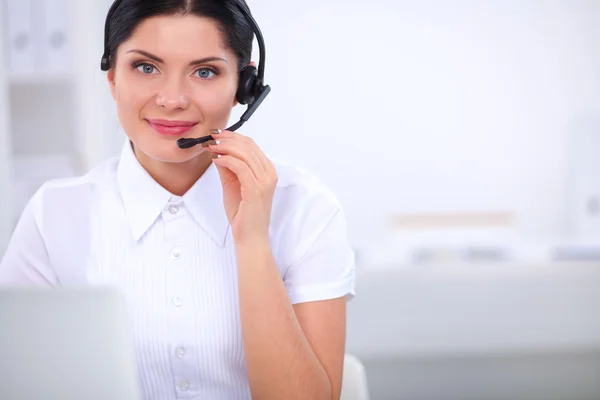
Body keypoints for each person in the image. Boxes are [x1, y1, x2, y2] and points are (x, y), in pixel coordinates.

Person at [0, 0, 355, 399]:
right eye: (146, 67)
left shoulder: (305, 209)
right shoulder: (54, 214)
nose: (172, 99)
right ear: (112, 77)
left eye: (204, 71)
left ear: (243, 87)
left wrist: (252, 240)